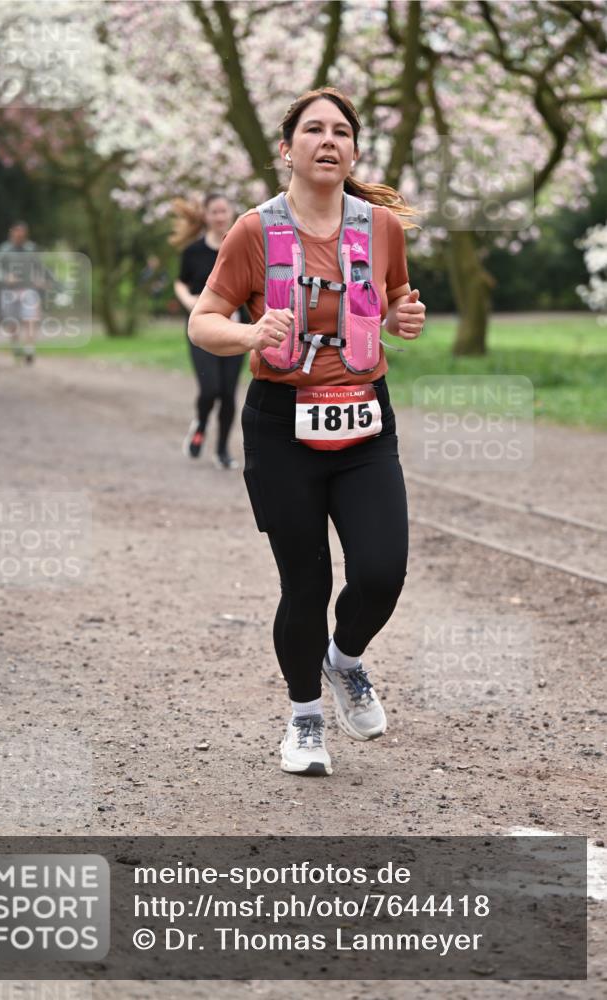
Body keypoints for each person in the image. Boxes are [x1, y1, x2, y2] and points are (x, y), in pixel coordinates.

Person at [189, 88, 426, 776]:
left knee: (381, 572)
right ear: (286, 150)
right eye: (313, 130)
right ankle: (303, 721)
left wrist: (399, 321)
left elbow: (391, 303)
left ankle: (343, 659)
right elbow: (202, 319)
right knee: (305, 583)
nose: (329, 140)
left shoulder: (380, 228)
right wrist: (246, 332)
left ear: (353, 151)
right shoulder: (254, 231)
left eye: (341, 132)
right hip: (280, 426)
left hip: (363, 418)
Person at [172, 194, 247, 471]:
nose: (219, 216)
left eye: (223, 211)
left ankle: (222, 450)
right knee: (210, 388)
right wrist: (190, 302)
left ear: (231, 213)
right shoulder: (193, 252)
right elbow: (180, 282)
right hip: (202, 330)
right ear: (205, 215)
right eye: (213, 212)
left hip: (236, 328)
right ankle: (201, 424)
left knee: (228, 393)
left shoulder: (241, 247)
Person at [0, 221, 44, 364]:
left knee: (30, 319)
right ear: (12, 233)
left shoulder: (31, 248)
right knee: (12, 321)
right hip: (10, 291)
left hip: (28, 289)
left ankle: (29, 349)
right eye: (17, 232)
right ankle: (16, 347)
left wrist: (38, 278)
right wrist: (5, 277)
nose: (19, 235)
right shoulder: (4, 249)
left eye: (22, 233)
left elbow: (39, 266)